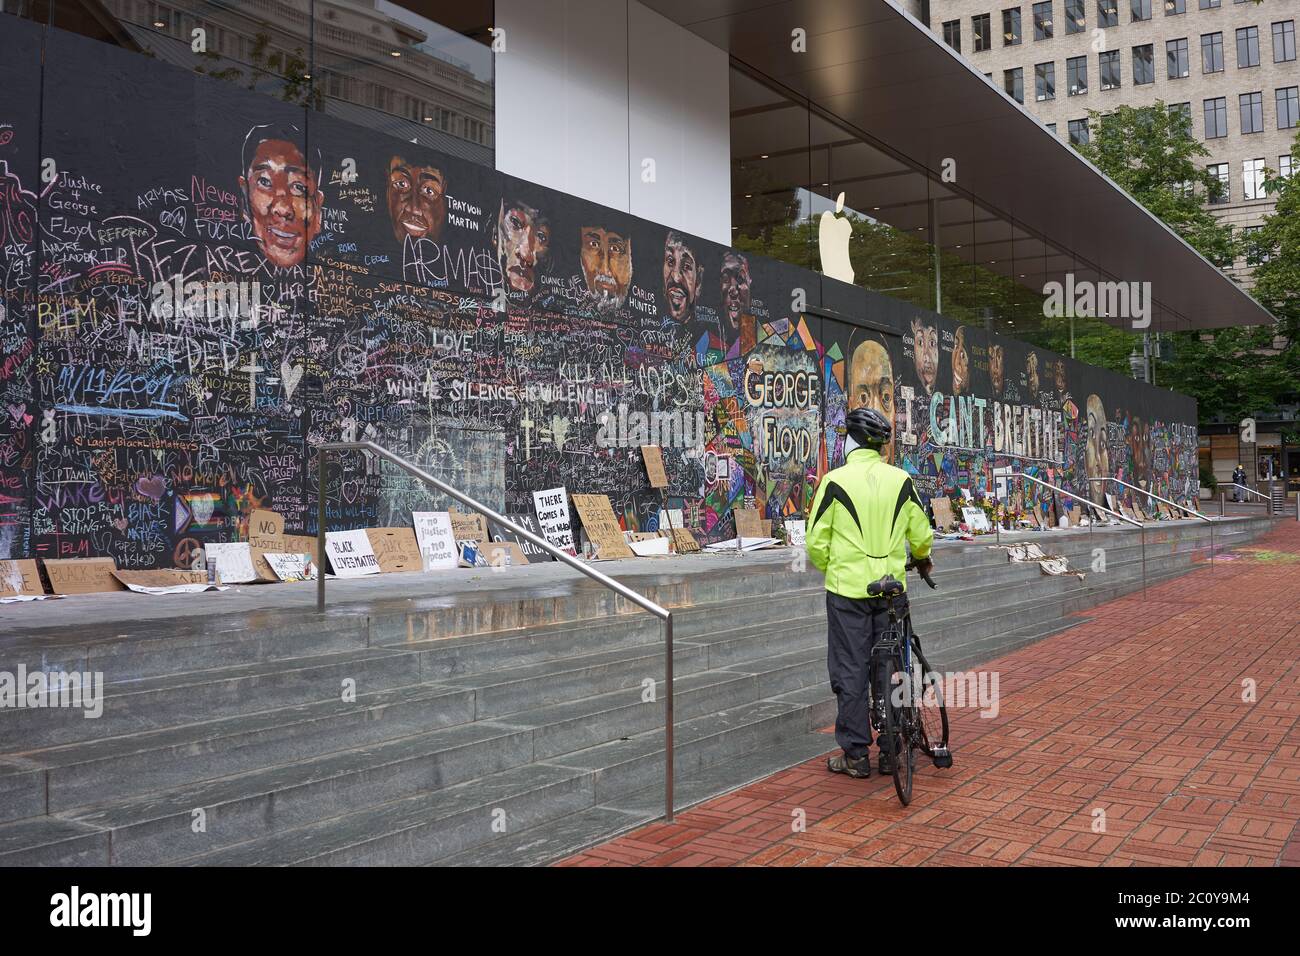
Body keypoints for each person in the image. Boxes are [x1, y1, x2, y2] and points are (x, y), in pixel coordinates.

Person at [806, 407, 935, 778]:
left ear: (851, 441)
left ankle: (855, 755)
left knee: (850, 670)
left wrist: (837, 565)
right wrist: (922, 558)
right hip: (892, 591)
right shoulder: (901, 480)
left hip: (847, 593)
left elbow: (815, 543)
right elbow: (922, 536)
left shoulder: (834, 482)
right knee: (892, 669)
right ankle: (893, 750)